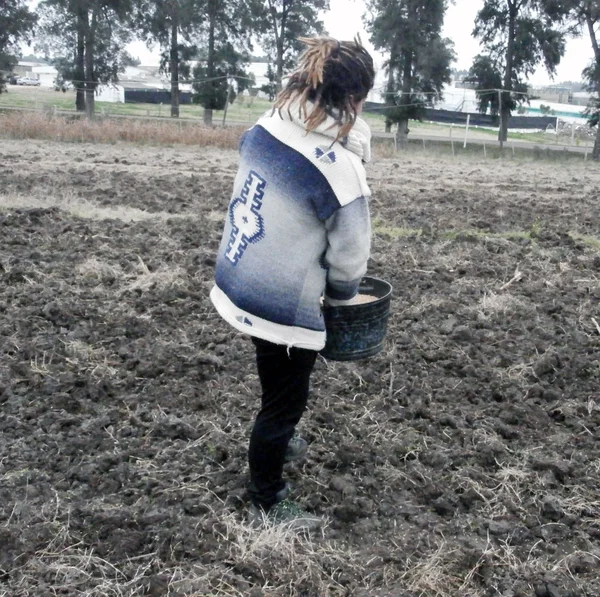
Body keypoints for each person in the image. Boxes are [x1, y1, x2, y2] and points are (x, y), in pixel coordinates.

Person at [210, 36, 375, 531]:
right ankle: (267, 497)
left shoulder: (269, 124)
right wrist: (341, 303)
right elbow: (350, 260)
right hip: (283, 302)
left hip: (243, 271)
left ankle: (278, 440)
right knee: (286, 401)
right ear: (355, 99)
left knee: (272, 378)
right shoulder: (341, 175)